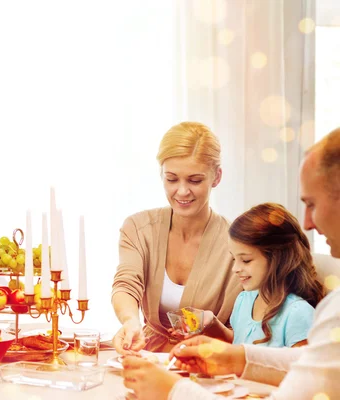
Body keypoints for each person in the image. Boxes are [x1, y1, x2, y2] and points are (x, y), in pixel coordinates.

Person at [121, 127, 340, 399]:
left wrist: (172, 391)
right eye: (171, 178)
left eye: (312, 204)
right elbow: (311, 364)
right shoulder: (140, 227)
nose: (307, 222)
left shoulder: (313, 312)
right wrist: (234, 357)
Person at [111, 121, 242, 353]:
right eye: (171, 179)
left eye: (195, 180)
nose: (182, 191)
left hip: (211, 366)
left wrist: (213, 328)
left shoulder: (238, 245)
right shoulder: (138, 228)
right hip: (151, 357)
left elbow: (248, 331)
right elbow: (126, 284)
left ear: (216, 177)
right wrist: (131, 321)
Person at [196, 203, 324, 347]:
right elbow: (241, 345)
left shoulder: (298, 314)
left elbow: (300, 368)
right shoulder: (244, 300)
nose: (235, 268)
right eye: (234, 259)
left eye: (246, 260)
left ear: (277, 258)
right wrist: (213, 325)